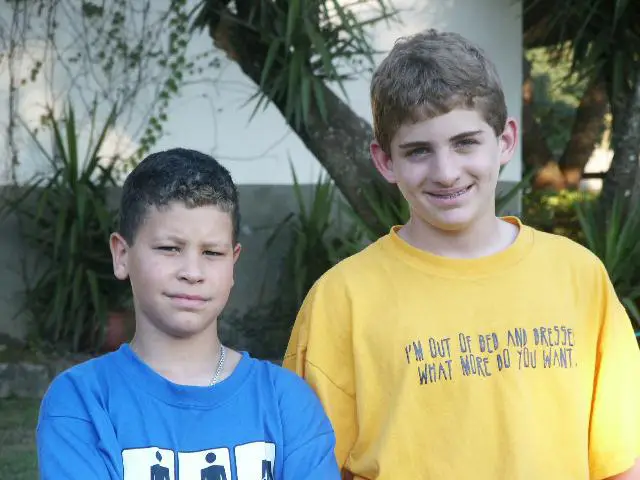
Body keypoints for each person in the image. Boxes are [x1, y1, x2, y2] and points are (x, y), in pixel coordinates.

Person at [282, 29, 640, 479]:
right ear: (385, 160)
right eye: (418, 151)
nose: (446, 172)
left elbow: (619, 461)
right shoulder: (340, 300)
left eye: (465, 142)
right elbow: (310, 466)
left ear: (505, 140)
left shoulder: (579, 276)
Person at [36, 148, 340, 480]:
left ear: (233, 262)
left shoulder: (287, 401)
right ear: (122, 255)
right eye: (169, 248)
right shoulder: (82, 401)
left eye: (212, 252)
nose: (192, 272)